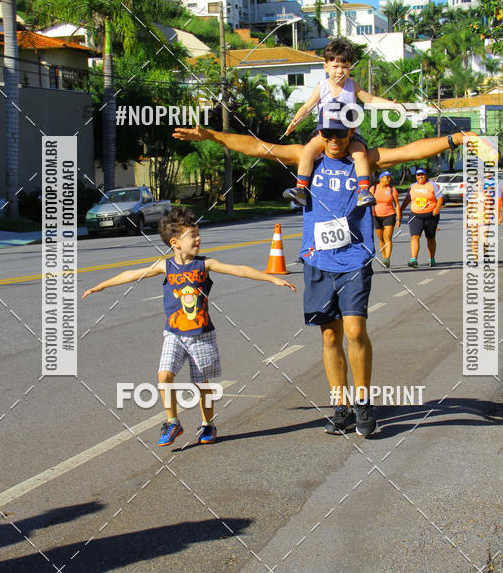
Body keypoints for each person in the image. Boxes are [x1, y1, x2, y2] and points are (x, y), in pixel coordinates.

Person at [174, 121, 469, 438]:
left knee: (355, 331)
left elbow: (410, 150)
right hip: (318, 259)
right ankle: (341, 408)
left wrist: (454, 139)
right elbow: (259, 147)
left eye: (339, 134)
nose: (332, 140)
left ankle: (363, 402)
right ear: (319, 135)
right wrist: (214, 135)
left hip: (354, 258)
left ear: (351, 134)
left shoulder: (365, 159)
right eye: (326, 134)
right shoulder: (308, 158)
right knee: (330, 337)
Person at [83, 206, 296, 446]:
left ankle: (208, 424)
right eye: (192, 235)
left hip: (201, 335)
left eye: (198, 233)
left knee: (201, 385)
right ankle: (173, 422)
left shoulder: (204, 264)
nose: (198, 239)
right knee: (164, 375)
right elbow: (132, 274)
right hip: (174, 333)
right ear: (175, 242)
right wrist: (101, 286)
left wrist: (273, 278)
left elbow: (239, 270)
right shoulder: (166, 266)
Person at [282, 38, 397, 208]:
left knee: (360, 154)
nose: (340, 71)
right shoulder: (322, 87)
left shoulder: (353, 85)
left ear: (350, 68)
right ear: (326, 67)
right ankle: (301, 190)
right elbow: (307, 106)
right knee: (308, 151)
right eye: (335, 67)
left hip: (348, 133)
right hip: (326, 133)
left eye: (345, 67)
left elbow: (371, 99)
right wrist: (295, 121)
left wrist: (391, 105)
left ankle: (363, 191)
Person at [400, 169, 444, 268]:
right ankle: (414, 259)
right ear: (416, 176)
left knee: (430, 237)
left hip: (430, 215)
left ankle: (431, 258)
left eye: (422, 175)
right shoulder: (413, 186)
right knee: (414, 237)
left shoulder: (432, 185)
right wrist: (401, 209)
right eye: (418, 175)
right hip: (415, 215)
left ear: (426, 175)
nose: (420, 177)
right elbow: (407, 199)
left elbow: (440, 198)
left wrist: (437, 208)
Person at [371, 170, 401, 268]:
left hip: (389, 214)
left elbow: (396, 204)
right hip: (376, 215)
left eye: (389, 177)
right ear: (381, 178)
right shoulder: (374, 188)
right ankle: (384, 257)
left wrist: (398, 218)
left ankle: (387, 258)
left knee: (387, 237)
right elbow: (367, 202)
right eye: (387, 177)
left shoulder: (392, 189)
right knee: (380, 238)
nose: (389, 179)